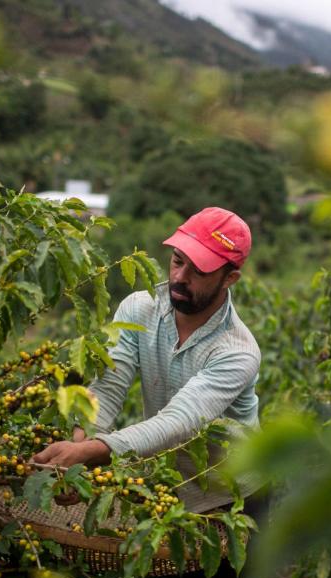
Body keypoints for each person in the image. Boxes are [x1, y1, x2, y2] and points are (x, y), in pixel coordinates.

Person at [32, 206, 262, 513]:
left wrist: (91, 452)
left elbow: (180, 422)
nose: (180, 277)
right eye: (178, 261)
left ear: (229, 278)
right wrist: (78, 449)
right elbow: (109, 387)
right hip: (167, 489)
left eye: (199, 271)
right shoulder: (139, 310)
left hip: (233, 498)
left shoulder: (238, 352)